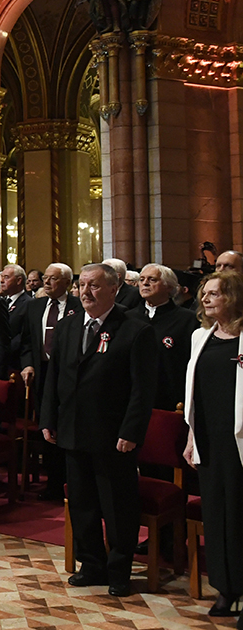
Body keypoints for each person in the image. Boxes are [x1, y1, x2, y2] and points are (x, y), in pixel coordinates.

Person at [40, 263, 157, 597]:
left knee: (117, 507)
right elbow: (54, 378)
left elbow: (142, 389)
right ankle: (91, 565)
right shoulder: (67, 327)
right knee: (82, 504)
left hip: (114, 435)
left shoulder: (134, 328)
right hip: (73, 430)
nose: (85, 292)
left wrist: (131, 430)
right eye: (82, 285)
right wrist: (48, 418)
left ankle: (119, 571)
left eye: (93, 286)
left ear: (113, 289)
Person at [183, 272, 243, 619]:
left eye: (215, 294)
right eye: (204, 294)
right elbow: (193, 394)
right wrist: (191, 438)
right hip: (209, 440)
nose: (206, 300)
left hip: (239, 442)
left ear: (232, 297)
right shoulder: (200, 337)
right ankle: (225, 588)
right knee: (217, 516)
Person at [18, 262, 82, 501]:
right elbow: (26, 341)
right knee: (47, 425)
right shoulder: (34, 307)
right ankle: (54, 483)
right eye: (45, 277)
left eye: (53, 279)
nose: (47, 282)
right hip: (43, 373)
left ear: (67, 282)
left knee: (69, 426)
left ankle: (72, 482)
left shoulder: (78, 306)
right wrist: (28, 363)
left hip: (70, 375)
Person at [130, 263, 198, 410]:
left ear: (169, 286)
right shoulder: (127, 318)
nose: (145, 283)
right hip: (133, 399)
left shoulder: (188, 320)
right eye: (142, 279)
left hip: (171, 400)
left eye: (152, 279)